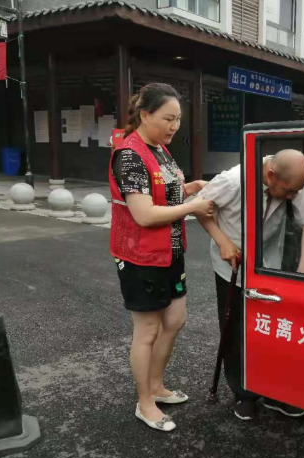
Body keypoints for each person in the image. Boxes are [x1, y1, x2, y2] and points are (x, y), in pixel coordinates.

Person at [109, 83, 214, 432]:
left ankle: (156, 385)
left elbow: (165, 193)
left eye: (178, 119)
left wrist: (189, 189)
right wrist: (192, 207)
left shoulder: (161, 150)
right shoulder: (129, 155)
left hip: (170, 251)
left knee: (175, 319)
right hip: (140, 255)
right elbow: (144, 214)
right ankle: (145, 403)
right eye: (168, 118)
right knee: (148, 330)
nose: (175, 126)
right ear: (144, 114)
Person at [197, 150, 304, 421]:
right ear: (270, 175)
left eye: (294, 192)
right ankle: (243, 392)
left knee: (273, 328)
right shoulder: (233, 181)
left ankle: (275, 391)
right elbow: (200, 208)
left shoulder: (294, 179)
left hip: (270, 262)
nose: (291, 197)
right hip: (232, 264)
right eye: (287, 191)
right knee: (235, 328)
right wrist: (223, 241)